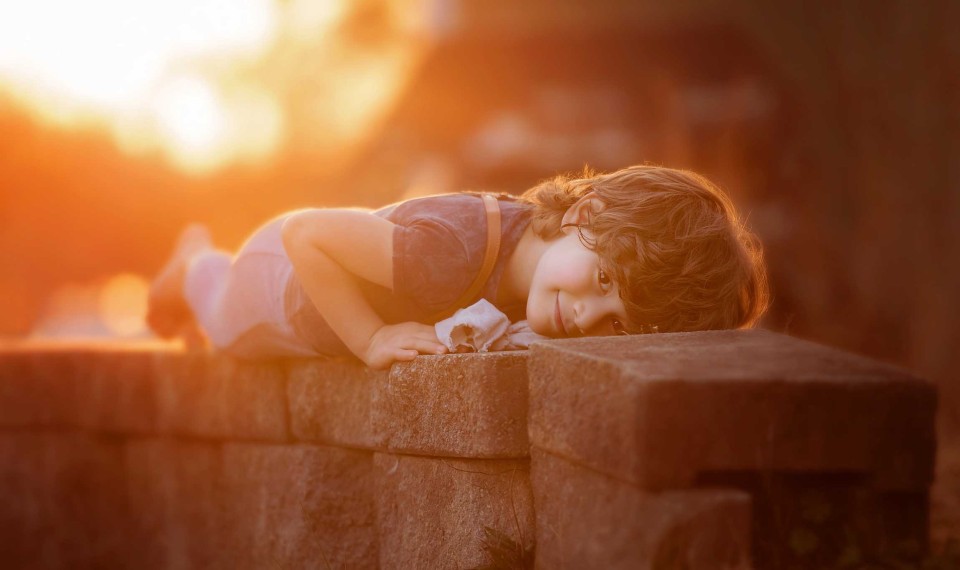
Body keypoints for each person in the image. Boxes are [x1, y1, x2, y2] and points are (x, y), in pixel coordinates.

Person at [146, 164, 769, 369]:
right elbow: (307, 233)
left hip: (306, 295)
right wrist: (371, 338)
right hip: (276, 282)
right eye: (606, 281)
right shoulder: (445, 256)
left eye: (620, 325)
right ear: (588, 211)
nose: (588, 317)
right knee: (219, 318)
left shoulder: (536, 260)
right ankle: (192, 262)